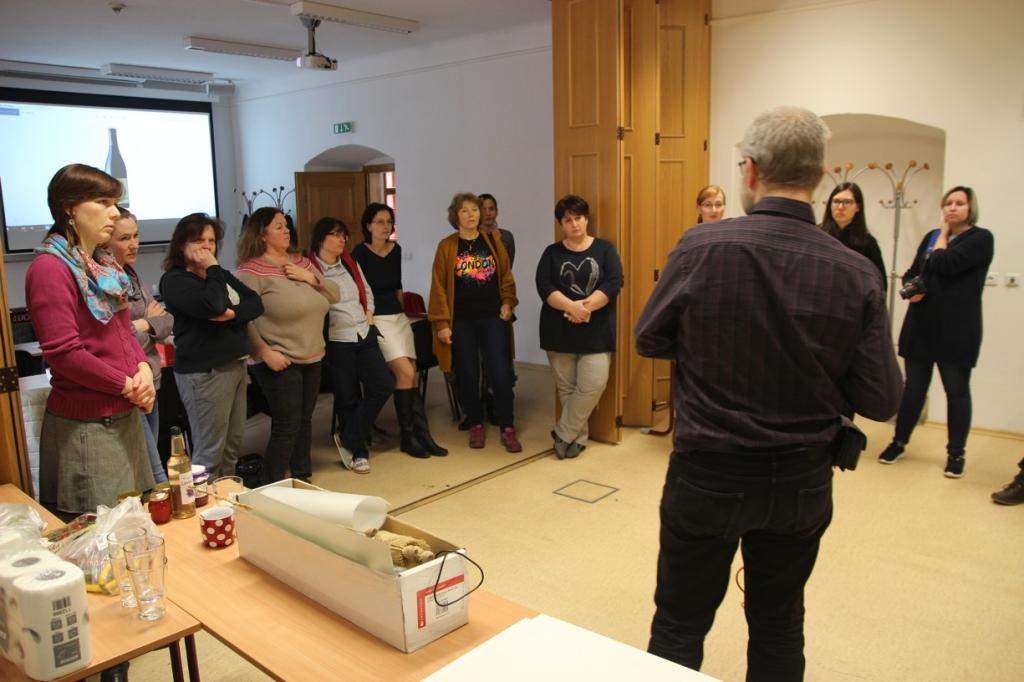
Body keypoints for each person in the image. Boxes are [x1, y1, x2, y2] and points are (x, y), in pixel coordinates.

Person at [636, 106, 902, 680]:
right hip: (802, 480)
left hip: (709, 471)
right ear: (820, 177)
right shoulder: (856, 271)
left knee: (679, 624)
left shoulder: (701, 247)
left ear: (751, 170)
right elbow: (882, 398)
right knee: (780, 622)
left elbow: (649, 336)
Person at [26, 164, 157, 516]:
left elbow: (123, 331)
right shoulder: (50, 268)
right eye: (102, 202)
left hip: (122, 413)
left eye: (114, 202)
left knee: (134, 524)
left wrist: (143, 368)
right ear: (69, 208)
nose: (114, 213)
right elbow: (64, 353)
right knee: (102, 533)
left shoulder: (103, 263)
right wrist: (126, 384)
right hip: (88, 425)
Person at [877, 186, 994, 478]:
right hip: (922, 326)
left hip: (957, 330)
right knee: (913, 388)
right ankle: (899, 442)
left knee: (956, 391)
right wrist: (911, 288)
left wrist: (942, 235)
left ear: (970, 208)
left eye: (959, 203)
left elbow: (944, 263)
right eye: (948, 203)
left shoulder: (980, 238)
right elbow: (913, 271)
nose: (952, 208)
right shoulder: (931, 237)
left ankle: (956, 454)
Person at [235, 207, 339, 483]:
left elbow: (335, 295)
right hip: (278, 358)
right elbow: (243, 319)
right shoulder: (250, 271)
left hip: (312, 354)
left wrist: (311, 278)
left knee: (304, 420)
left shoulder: (301, 263)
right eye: (279, 226)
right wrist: (263, 352)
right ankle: (272, 484)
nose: (286, 230)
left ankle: (302, 478)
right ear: (262, 234)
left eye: (286, 225)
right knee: (288, 423)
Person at [160, 213, 263, 479]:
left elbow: (255, 303)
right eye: (198, 240)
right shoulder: (175, 280)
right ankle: (203, 501)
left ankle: (226, 498)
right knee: (210, 452)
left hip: (235, 365)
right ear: (181, 245)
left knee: (232, 447)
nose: (206, 247)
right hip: (206, 373)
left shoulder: (218, 275)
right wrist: (213, 269)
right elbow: (213, 304)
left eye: (211, 241)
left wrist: (232, 314)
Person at [428, 192, 521, 452]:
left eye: (475, 210)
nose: (471, 215)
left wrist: (507, 303)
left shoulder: (493, 241)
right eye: (465, 210)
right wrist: (442, 324)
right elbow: (438, 287)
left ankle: (507, 426)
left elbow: (506, 277)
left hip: (493, 318)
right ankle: (476, 423)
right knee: (468, 373)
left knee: (500, 373)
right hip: (462, 321)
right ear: (455, 216)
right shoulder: (447, 246)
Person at [353, 203, 447, 458]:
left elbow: (397, 286)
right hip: (376, 319)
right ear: (368, 225)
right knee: (404, 372)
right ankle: (408, 436)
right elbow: (359, 292)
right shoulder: (359, 253)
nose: (385, 226)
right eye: (379, 221)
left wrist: (403, 314)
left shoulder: (396, 250)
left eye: (389, 221)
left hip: (398, 317)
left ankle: (421, 434)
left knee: (411, 374)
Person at [535, 194, 623, 459]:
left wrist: (584, 308)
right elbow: (544, 286)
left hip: (597, 331)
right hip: (558, 330)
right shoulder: (551, 253)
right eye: (568, 220)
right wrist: (572, 308)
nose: (574, 224)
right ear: (561, 224)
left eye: (578, 218)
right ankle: (578, 438)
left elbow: (614, 281)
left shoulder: (604, 249)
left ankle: (563, 433)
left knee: (594, 384)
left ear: (586, 219)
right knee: (567, 388)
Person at [312, 217, 394, 474]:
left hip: (363, 332)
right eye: (336, 235)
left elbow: (365, 291)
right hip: (337, 339)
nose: (342, 240)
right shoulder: (310, 268)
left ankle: (348, 436)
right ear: (321, 238)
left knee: (383, 384)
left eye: (343, 235)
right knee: (347, 397)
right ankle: (358, 452)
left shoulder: (349, 261)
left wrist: (368, 314)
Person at [108, 207, 172, 484]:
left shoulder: (131, 275)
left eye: (136, 236)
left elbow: (167, 321)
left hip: (152, 380)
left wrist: (140, 325)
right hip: (130, 386)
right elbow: (115, 339)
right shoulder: (105, 280)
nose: (134, 244)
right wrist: (146, 322)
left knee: (148, 469)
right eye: (124, 238)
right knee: (154, 473)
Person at [821, 182, 887, 292]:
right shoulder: (817, 235)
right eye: (836, 201)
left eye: (847, 202)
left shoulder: (868, 243)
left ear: (857, 207)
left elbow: (880, 284)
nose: (840, 207)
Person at [479, 193, 515, 265]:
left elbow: (508, 267)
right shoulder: (470, 239)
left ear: (497, 211)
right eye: (483, 209)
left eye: (491, 209)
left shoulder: (506, 237)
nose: (488, 213)